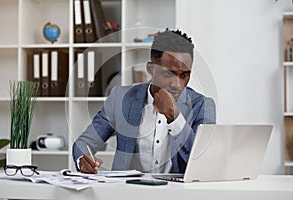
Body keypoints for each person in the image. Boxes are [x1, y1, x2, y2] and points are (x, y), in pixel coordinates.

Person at [73, 28, 216, 174]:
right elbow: (84, 143)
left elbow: (202, 160)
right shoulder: (120, 98)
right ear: (151, 69)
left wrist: (175, 118)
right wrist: (83, 160)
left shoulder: (202, 105)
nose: (176, 84)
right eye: (168, 73)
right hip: (128, 192)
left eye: (184, 75)